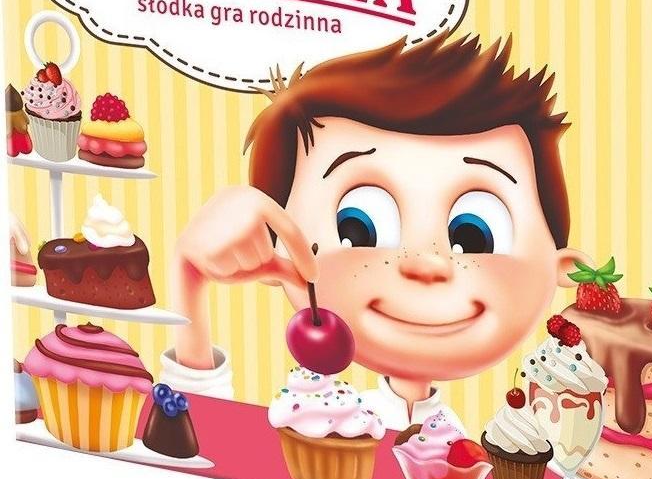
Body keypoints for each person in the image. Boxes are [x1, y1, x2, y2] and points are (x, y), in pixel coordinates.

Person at [160, 34, 589, 430]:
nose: (425, 262)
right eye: (358, 227)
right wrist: (189, 276)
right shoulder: (322, 416)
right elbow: (201, 439)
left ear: (563, 267)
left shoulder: (512, 438)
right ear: (274, 243)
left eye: (475, 235)